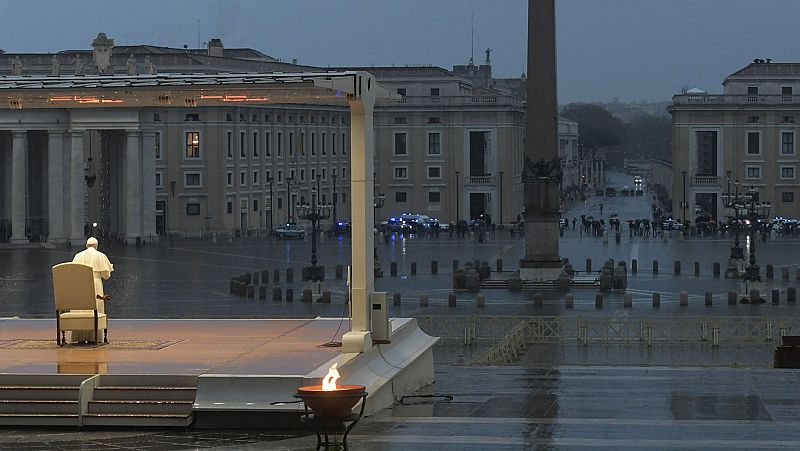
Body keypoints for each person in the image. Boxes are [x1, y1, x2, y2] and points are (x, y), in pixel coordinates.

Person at [71, 237, 114, 343]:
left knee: (80, 310)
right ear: (96, 245)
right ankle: (94, 337)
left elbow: (73, 273)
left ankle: (80, 336)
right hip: (95, 284)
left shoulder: (77, 256)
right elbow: (106, 276)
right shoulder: (101, 256)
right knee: (95, 309)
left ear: (86, 245)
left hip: (80, 284)